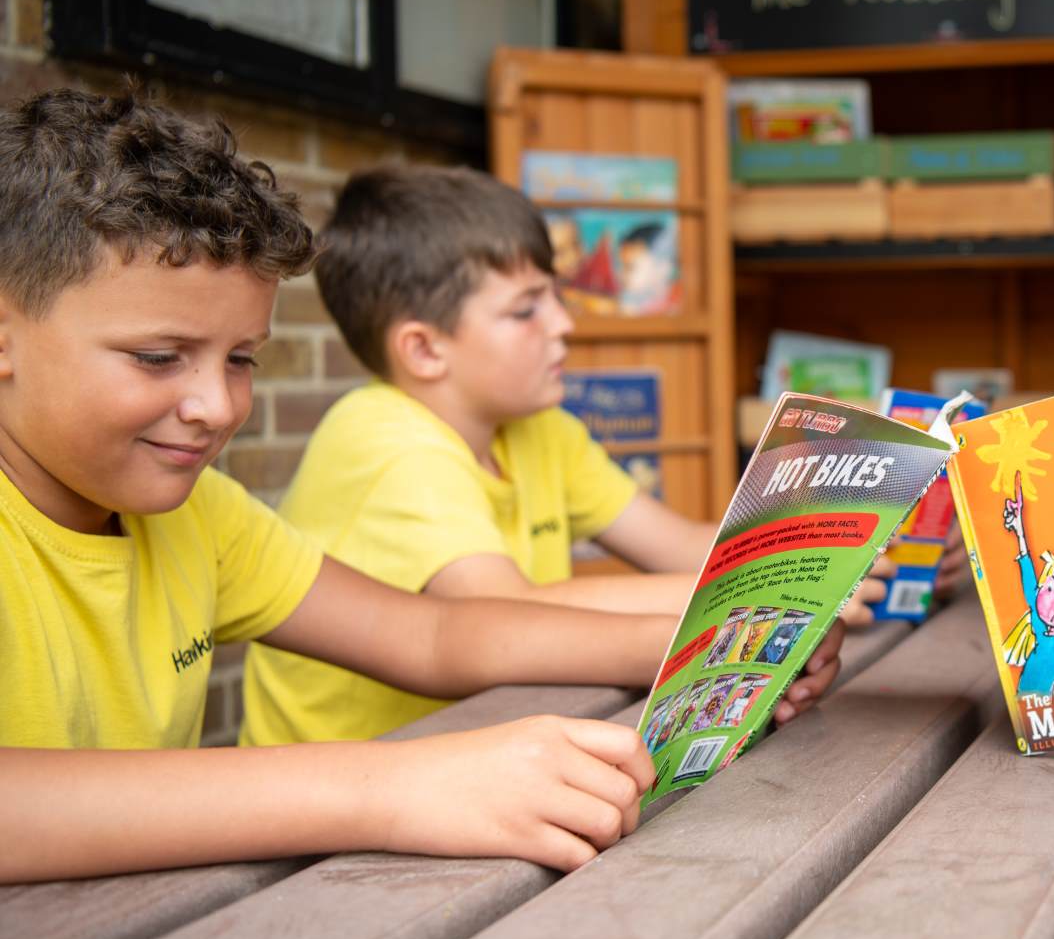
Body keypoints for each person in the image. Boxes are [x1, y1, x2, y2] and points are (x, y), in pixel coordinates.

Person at [0, 90, 689, 883]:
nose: (217, 407)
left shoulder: (206, 513)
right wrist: (394, 785)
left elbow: (431, 636)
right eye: (158, 357)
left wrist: (710, 637)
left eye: (241, 359)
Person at [241, 167, 855, 746]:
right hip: (343, 817)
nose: (564, 323)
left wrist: (832, 551)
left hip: (474, 755)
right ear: (425, 350)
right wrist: (759, 595)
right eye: (526, 308)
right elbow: (502, 612)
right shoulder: (381, 439)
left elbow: (681, 545)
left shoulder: (538, 429)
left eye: (556, 297)